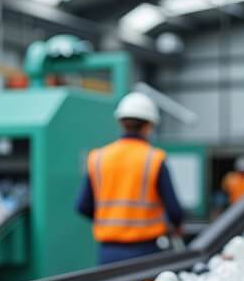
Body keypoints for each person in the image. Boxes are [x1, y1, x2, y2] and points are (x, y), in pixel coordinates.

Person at [77, 92, 185, 264]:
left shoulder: (97, 158)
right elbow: (174, 211)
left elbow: (82, 206)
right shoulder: (154, 159)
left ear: (121, 123)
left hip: (108, 252)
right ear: (149, 125)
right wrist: (177, 227)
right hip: (146, 251)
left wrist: (109, 219)